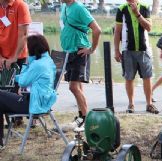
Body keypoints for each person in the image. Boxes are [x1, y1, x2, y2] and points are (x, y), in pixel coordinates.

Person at [0, 34, 56, 150]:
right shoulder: (48, 61)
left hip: (33, 104)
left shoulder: (37, 65)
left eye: (27, 48)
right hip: (42, 101)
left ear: (33, 49)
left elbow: (23, 82)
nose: (26, 51)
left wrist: (25, 62)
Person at [60, 0, 101, 131]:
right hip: (69, 52)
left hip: (79, 52)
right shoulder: (65, 7)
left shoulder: (79, 8)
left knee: (73, 87)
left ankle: (85, 118)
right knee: (77, 87)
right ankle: (81, 117)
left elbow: (97, 30)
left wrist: (91, 49)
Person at [114, 0, 158, 114]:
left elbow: (149, 28)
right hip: (127, 50)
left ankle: (149, 104)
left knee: (147, 77)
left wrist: (137, 13)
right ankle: (131, 104)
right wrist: (116, 50)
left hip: (144, 49)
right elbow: (117, 31)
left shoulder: (144, 7)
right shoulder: (121, 9)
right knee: (129, 78)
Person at [0, 0, 31, 72]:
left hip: (18, 58)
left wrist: (14, 58)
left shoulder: (20, 5)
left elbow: (23, 35)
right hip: (1, 58)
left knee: (18, 82)